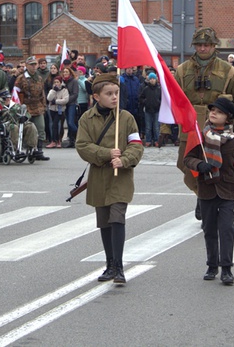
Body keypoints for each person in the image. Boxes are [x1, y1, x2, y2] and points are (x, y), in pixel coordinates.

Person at [75, 72, 144, 285]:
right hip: (99, 176)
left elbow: (136, 145)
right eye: (109, 94)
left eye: (116, 93)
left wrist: (124, 159)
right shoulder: (86, 119)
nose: (114, 97)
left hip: (120, 177)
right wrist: (106, 153)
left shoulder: (126, 118)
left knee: (117, 217)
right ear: (96, 96)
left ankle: (120, 266)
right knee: (104, 222)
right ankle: (110, 263)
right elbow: (82, 146)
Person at [175, 27, 234, 220]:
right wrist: (166, 127)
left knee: (216, 166)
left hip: (218, 128)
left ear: (214, 46)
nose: (202, 48)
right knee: (187, 166)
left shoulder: (228, 70)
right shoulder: (183, 70)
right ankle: (200, 195)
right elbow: (172, 100)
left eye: (206, 45)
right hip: (190, 127)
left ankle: (207, 201)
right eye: (199, 45)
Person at [184, 97, 234, 285]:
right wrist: (200, 164)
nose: (213, 113)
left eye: (219, 112)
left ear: (228, 118)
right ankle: (212, 265)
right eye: (212, 110)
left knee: (227, 229)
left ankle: (226, 268)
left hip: (227, 190)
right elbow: (187, 159)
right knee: (209, 229)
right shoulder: (200, 136)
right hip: (206, 190)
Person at [13, 56, 50, 161]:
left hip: (37, 106)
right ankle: (27, 148)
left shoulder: (38, 78)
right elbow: (16, 94)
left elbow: (42, 93)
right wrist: (18, 107)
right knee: (27, 128)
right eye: (31, 65)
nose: (34, 67)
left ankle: (38, 150)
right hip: (25, 106)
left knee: (40, 128)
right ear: (27, 65)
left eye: (35, 65)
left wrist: (43, 106)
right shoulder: (21, 78)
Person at [139, 72, 162, 147]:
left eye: (153, 79)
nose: (152, 80)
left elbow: (162, 99)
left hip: (156, 110)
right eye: (151, 79)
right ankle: (148, 140)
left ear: (156, 80)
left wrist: (159, 103)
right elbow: (141, 98)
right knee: (148, 127)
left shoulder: (159, 89)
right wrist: (145, 102)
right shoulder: (146, 89)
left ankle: (156, 140)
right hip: (148, 110)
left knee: (156, 127)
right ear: (148, 80)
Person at [46, 76, 69, 148]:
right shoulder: (52, 90)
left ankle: (58, 140)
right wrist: (53, 91)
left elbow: (65, 100)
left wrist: (56, 101)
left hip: (60, 110)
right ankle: (53, 141)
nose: (56, 84)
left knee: (57, 125)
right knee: (53, 125)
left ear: (60, 82)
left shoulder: (64, 90)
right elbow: (49, 98)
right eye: (55, 82)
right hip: (52, 109)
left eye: (57, 82)